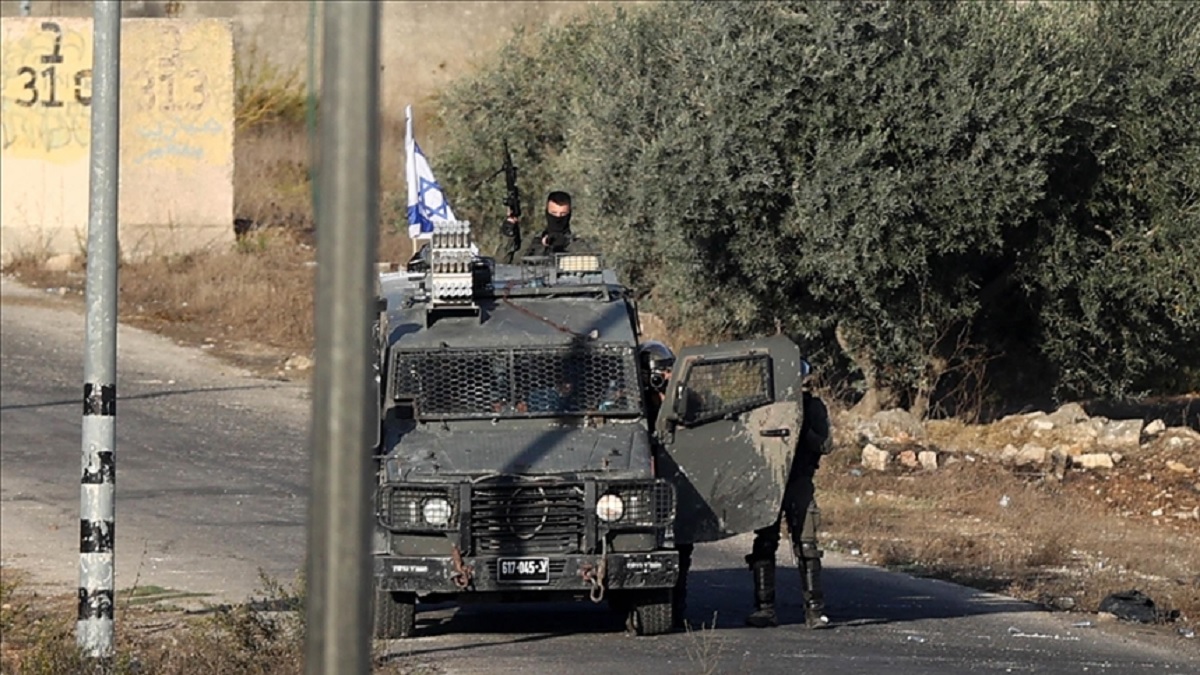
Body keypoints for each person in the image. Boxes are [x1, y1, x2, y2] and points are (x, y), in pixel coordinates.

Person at [743, 390, 833, 629]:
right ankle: (764, 608)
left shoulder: (811, 405)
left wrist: (802, 427)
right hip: (769, 478)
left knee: (807, 546)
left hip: (799, 479)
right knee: (764, 543)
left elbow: (825, 445)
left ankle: (815, 610)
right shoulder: (763, 402)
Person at [502, 191, 575, 263]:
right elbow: (504, 263)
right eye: (553, 213)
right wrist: (509, 236)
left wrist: (563, 246)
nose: (558, 217)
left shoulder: (576, 243)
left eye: (563, 214)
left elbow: (583, 260)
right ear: (547, 212)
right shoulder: (532, 240)